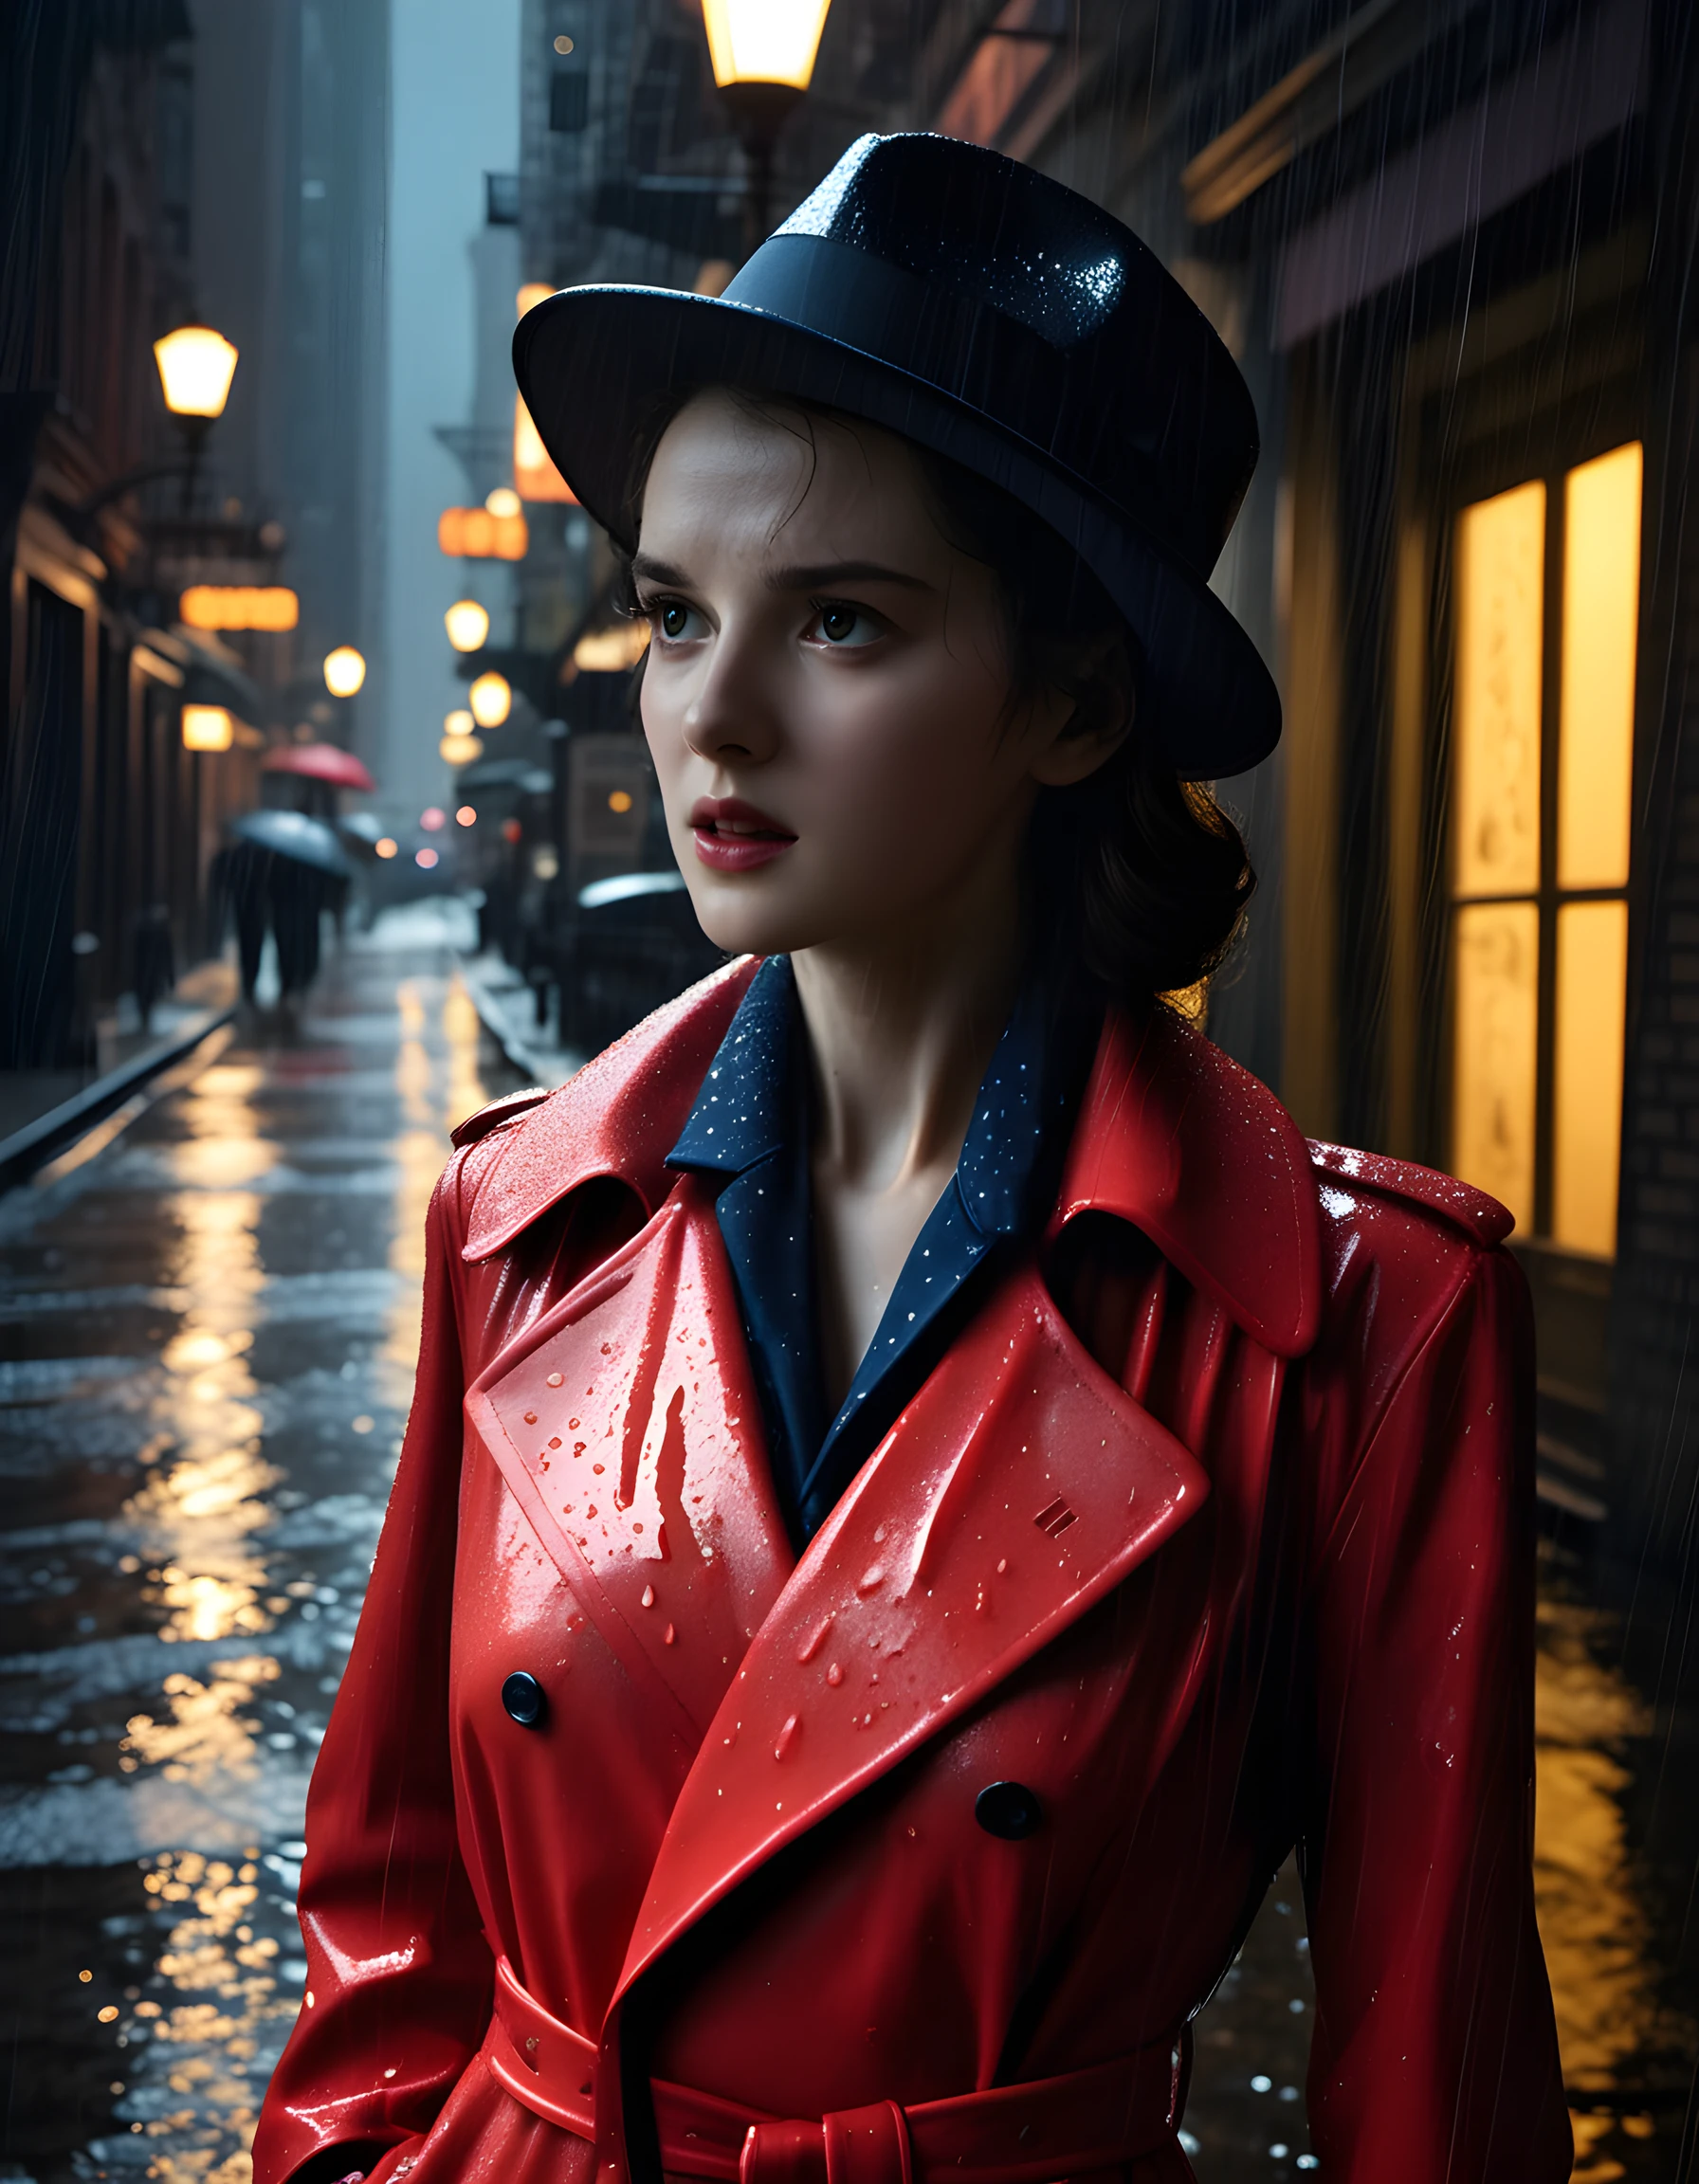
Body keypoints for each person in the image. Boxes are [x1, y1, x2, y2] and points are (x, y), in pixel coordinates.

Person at [252, 135, 1571, 2184]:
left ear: (1069, 704)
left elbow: (1432, 2083)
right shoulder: (512, 1218)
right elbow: (383, 1923)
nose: (715, 718)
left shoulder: (1365, 1323)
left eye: (841, 624)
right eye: (675, 616)